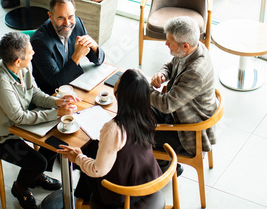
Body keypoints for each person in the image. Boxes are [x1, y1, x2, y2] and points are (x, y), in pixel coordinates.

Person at [0, 32, 78, 209]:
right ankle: (20, 187)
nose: (34, 54)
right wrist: (57, 113)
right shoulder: (0, 82)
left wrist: (57, 102)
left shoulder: (24, 67)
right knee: (38, 162)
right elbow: (19, 118)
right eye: (30, 52)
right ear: (17, 61)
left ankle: (35, 175)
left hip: (14, 126)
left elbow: (35, 94)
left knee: (56, 140)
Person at [57, 69, 161, 207]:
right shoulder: (146, 116)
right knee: (93, 148)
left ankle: (81, 200)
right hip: (146, 180)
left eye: (119, 79)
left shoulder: (114, 128)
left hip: (121, 195)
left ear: (121, 93)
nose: (116, 79)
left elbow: (97, 170)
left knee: (85, 164)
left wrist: (78, 157)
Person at [149, 16, 217, 173]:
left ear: (185, 45)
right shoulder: (193, 50)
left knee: (137, 135)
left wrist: (144, 89)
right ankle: (163, 164)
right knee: (139, 112)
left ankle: (166, 169)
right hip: (178, 111)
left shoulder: (195, 72)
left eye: (169, 42)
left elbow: (166, 105)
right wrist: (162, 74)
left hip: (187, 131)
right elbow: (171, 64)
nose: (166, 44)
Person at [31, 0, 105, 94]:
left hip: (72, 80)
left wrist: (94, 46)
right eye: (61, 18)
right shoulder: (39, 42)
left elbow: (97, 60)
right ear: (50, 17)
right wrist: (77, 56)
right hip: (51, 93)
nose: (67, 23)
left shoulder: (77, 24)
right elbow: (56, 82)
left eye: (70, 17)